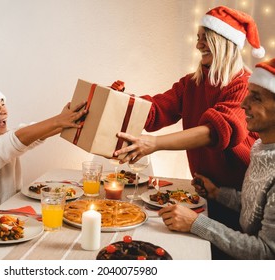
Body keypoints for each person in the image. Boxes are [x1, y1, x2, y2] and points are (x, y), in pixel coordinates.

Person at [114, 6, 265, 230]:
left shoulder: (244, 86)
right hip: (207, 191)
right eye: (198, 38)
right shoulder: (192, 83)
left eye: (206, 38)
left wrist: (153, 144)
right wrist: (119, 100)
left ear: (224, 42)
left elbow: (214, 131)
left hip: (241, 198)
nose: (198, 45)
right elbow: (156, 110)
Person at [157, 58, 275, 260]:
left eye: (256, 98)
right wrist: (217, 193)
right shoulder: (260, 148)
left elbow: (266, 253)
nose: (243, 104)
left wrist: (196, 224)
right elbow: (256, 209)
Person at [0, 84, 87, 218]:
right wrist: (58, 121)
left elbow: (34, 135)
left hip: (10, 212)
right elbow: (17, 139)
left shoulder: (1, 139)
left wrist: (67, 120)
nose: (4, 111)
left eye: (3, 104)